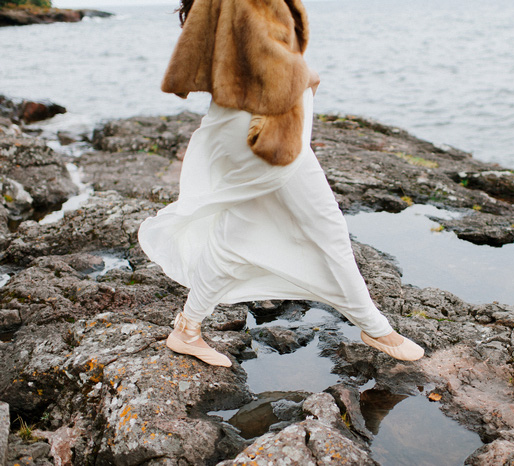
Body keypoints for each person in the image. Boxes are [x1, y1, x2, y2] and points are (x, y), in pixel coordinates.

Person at [138, 0, 424, 367]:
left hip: (246, 121)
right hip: (266, 126)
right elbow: (265, 59)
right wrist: (304, 78)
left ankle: (187, 330)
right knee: (325, 226)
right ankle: (375, 327)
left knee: (237, 234)